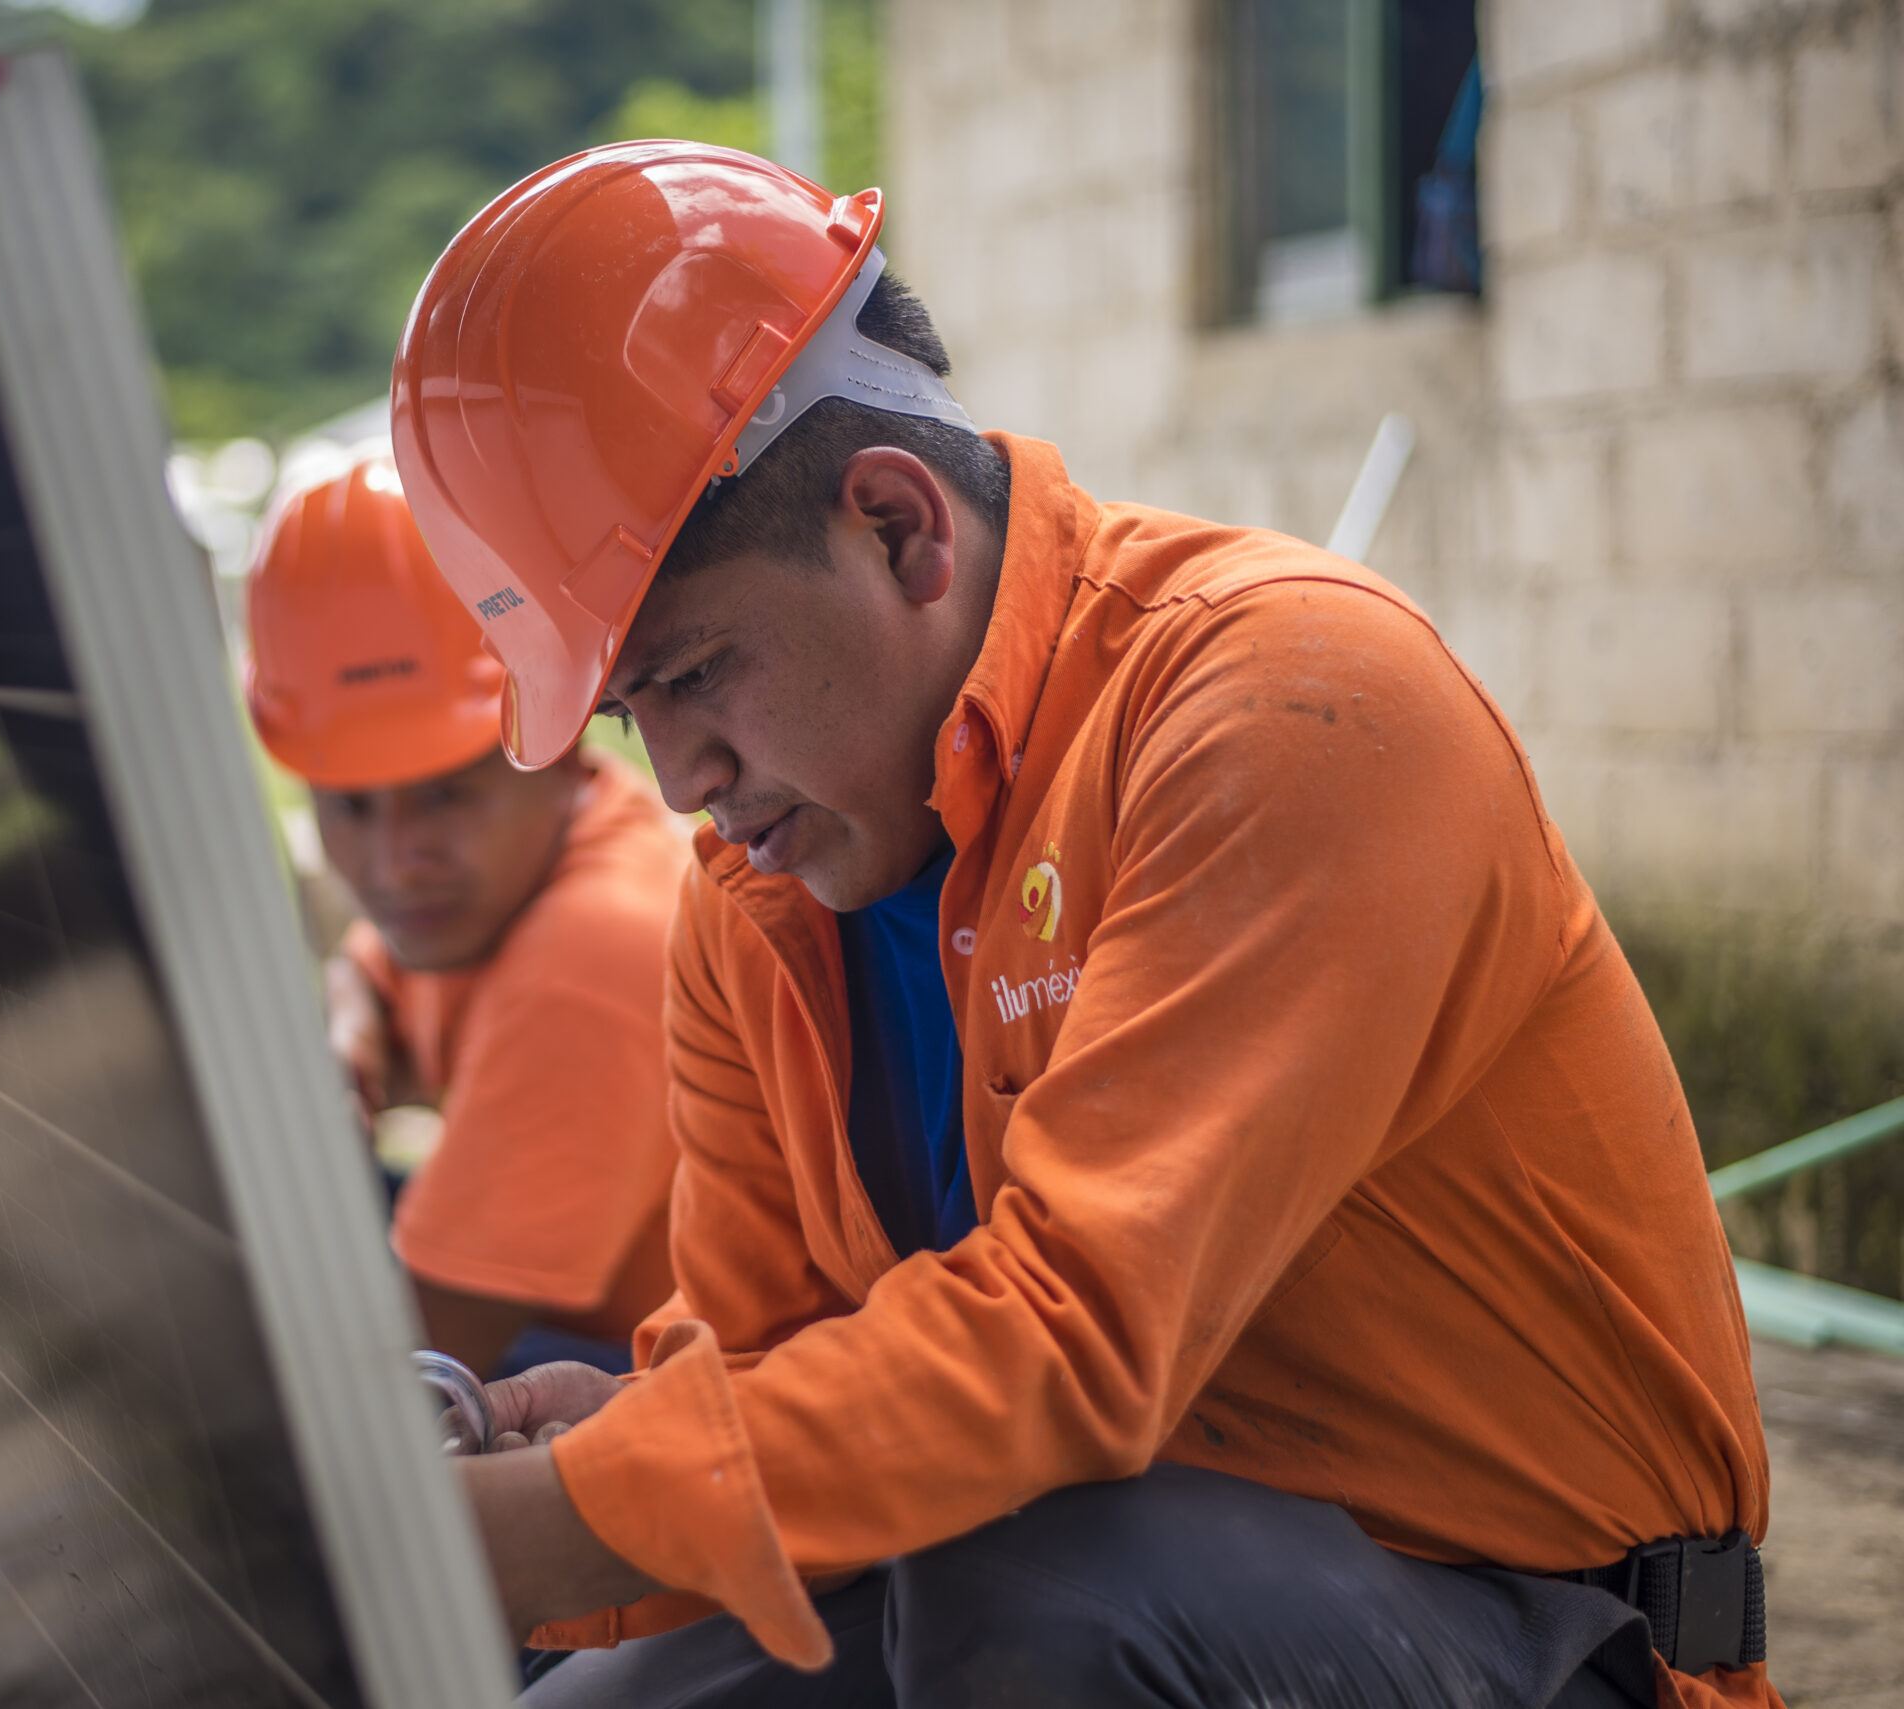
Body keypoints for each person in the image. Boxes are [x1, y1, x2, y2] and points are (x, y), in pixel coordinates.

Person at [388, 143, 1781, 1709]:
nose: (683, 781)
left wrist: (562, 1523)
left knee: (1033, 1583)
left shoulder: (1284, 705)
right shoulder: (757, 912)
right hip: (1109, 1596)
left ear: (898, 526)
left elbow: (1074, 1336)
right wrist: (604, 1458)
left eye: (695, 673)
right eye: (632, 716)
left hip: (1550, 1641)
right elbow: (776, 1387)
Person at [244, 450, 689, 1380]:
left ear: (562, 732)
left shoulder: (591, 956)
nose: (394, 865)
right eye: (350, 806)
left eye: (446, 795)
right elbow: (370, 962)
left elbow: (405, 1369)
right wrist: (352, 1030)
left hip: (676, 1366)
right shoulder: (500, 878)